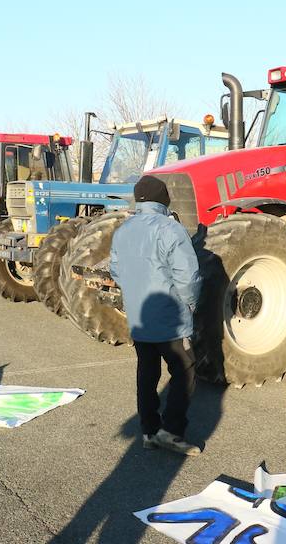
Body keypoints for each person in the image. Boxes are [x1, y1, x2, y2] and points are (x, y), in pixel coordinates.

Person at [109, 175, 202, 456]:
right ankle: (171, 432)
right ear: (164, 200)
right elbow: (189, 277)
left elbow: (116, 272)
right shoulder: (171, 229)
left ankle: (149, 430)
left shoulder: (122, 230)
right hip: (170, 316)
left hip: (139, 315)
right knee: (185, 370)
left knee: (147, 372)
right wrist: (191, 305)